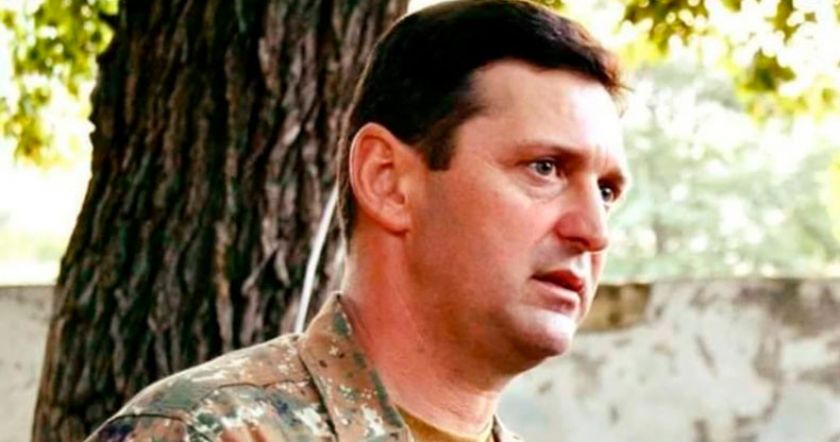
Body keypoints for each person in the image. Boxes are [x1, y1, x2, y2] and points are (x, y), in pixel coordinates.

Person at [86, 0, 630, 440]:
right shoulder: (201, 432)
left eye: (606, 192)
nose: (594, 232)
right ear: (387, 181)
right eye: (544, 168)